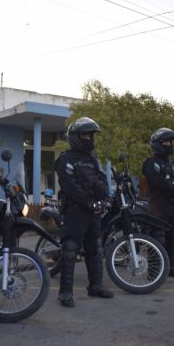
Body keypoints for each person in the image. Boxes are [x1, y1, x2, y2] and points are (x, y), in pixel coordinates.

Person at [54, 117, 113, 308]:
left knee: (95, 249)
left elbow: (103, 181)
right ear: (75, 137)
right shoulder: (65, 159)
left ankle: (95, 285)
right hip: (75, 211)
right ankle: (65, 293)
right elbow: (68, 185)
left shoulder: (92, 160)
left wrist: (103, 199)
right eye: (84, 135)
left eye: (90, 135)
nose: (88, 138)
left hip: (93, 212)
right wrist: (88, 201)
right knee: (70, 250)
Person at [142, 127, 174, 278]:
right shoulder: (151, 162)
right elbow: (156, 181)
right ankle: (155, 272)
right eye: (166, 142)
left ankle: (172, 268)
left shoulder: (173, 163)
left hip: (173, 206)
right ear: (158, 144)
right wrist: (173, 190)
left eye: (170, 142)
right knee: (157, 238)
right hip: (158, 206)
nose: (170, 144)